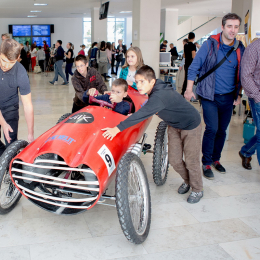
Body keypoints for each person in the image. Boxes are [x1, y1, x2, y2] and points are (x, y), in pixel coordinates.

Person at [102, 65, 203, 203]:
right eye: (137, 82)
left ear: (152, 82)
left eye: (142, 82)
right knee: (174, 160)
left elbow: (146, 111)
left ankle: (197, 189)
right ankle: (188, 181)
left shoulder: (159, 95)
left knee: (191, 161)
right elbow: (148, 106)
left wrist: (116, 129)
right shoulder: (156, 87)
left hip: (191, 125)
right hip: (174, 124)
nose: (138, 85)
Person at [184, 13, 245, 179]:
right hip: (209, 95)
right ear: (223, 27)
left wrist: (238, 94)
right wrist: (189, 89)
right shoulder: (210, 45)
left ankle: (216, 159)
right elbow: (193, 67)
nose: (233, 30)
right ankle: (206, 162)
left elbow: (242, 73)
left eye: (236, 27)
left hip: (228, 96)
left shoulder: (239, 48)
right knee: (212, 128)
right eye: (230, 26)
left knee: (222, 131)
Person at [0, 39, 34, 156]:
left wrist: (30, 134)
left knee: (11, 141)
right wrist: (3, 123)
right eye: (3, 60)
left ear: (18, 57)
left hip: (10, 108)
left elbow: (27, 105)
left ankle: (10, 162)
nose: (6, 65)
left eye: (11, 62)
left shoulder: (20, 72)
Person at [239, 38, 260, 170]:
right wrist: (258, 97)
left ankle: (246, 151)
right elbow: (245, 76)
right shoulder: (254, 48)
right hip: (258, 97)